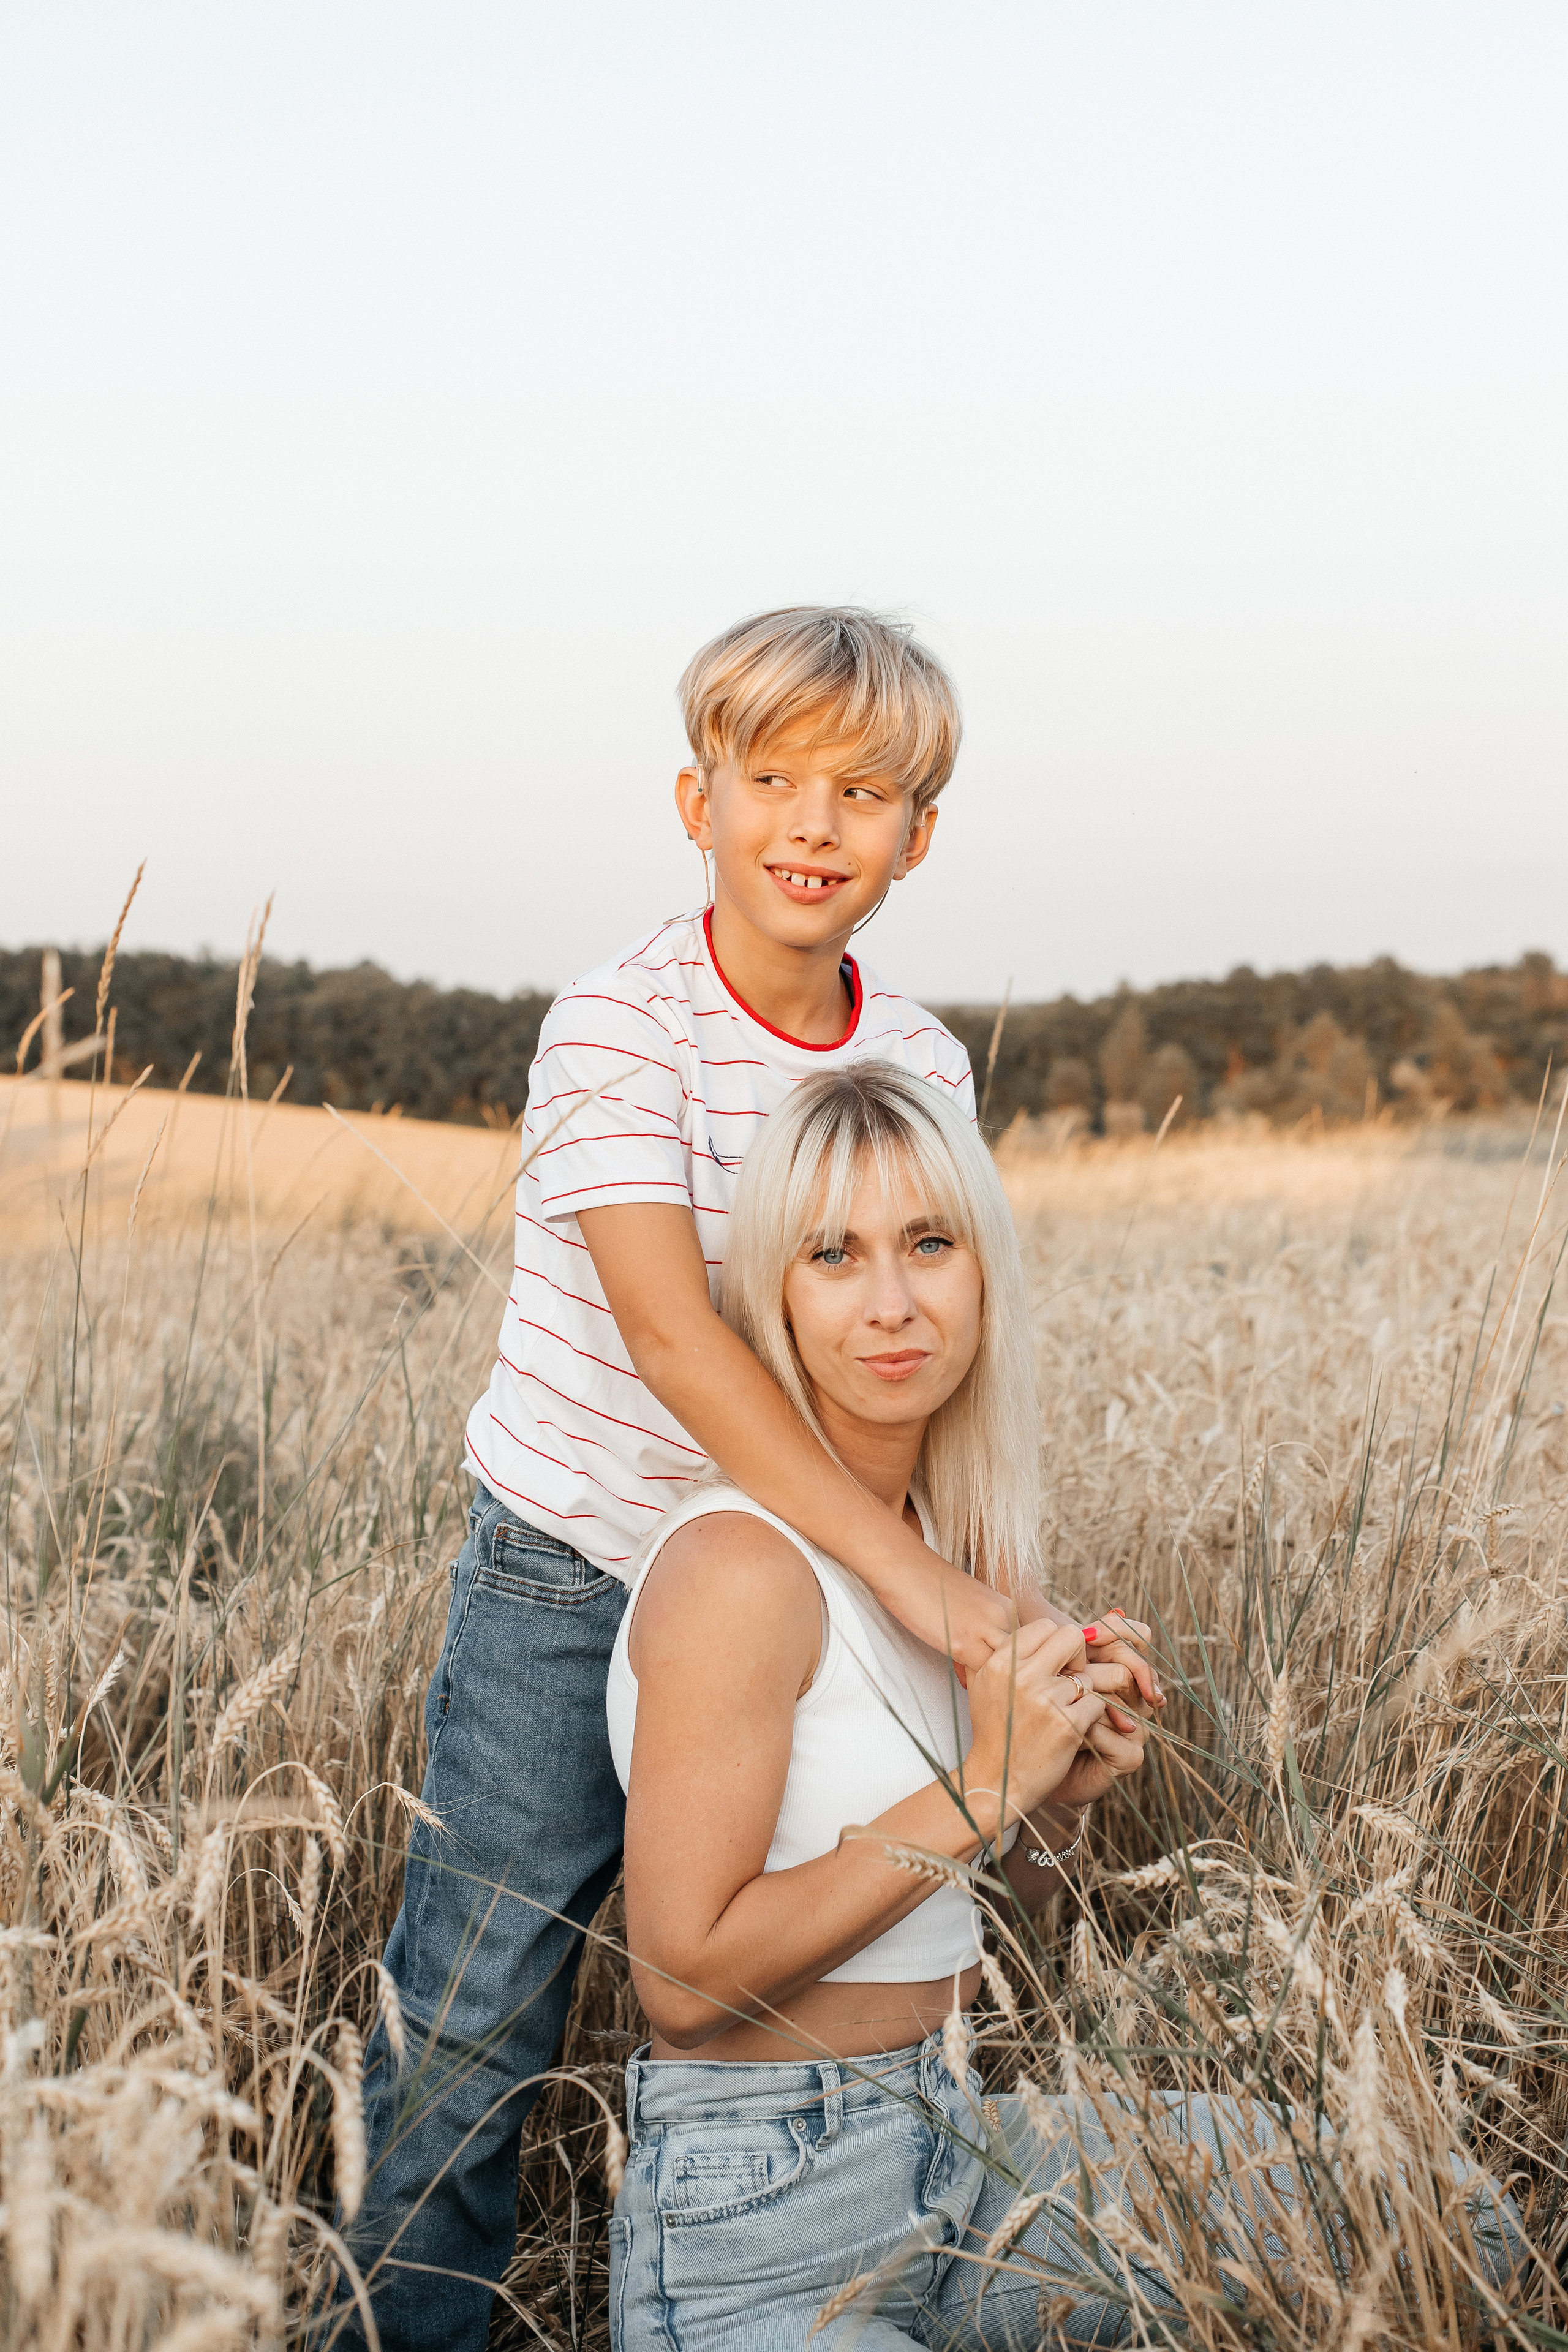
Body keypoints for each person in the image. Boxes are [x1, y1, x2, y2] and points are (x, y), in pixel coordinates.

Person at [345, 610, 1159, 2351]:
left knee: (875, 1893)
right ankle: (399, 2325)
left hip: (824, 1582)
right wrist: (924, 1588)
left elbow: (926, 1339)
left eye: (861, 791)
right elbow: (679, 1341)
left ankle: (848, 2218)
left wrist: (1014, 1629)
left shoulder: (920, 1062)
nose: (810, 820)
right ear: (693, 799)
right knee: (484, 1996)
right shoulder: (620, 1027)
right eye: (768, 776)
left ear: (917, 839)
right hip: (580, 1563)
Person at [605, 1064, 1524, 2348]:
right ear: (772, 1294)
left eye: (929, 1243)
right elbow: (684, 1983)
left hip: (959, 2141)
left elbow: (982, 1921)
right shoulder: (740, 1570)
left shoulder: (954, 1559)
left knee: (1441, 2224)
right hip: (762, 2212)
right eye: (832, 1255)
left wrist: (1052, 1800)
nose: (890, 1303)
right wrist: (983, 1783)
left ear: (982, 1270)